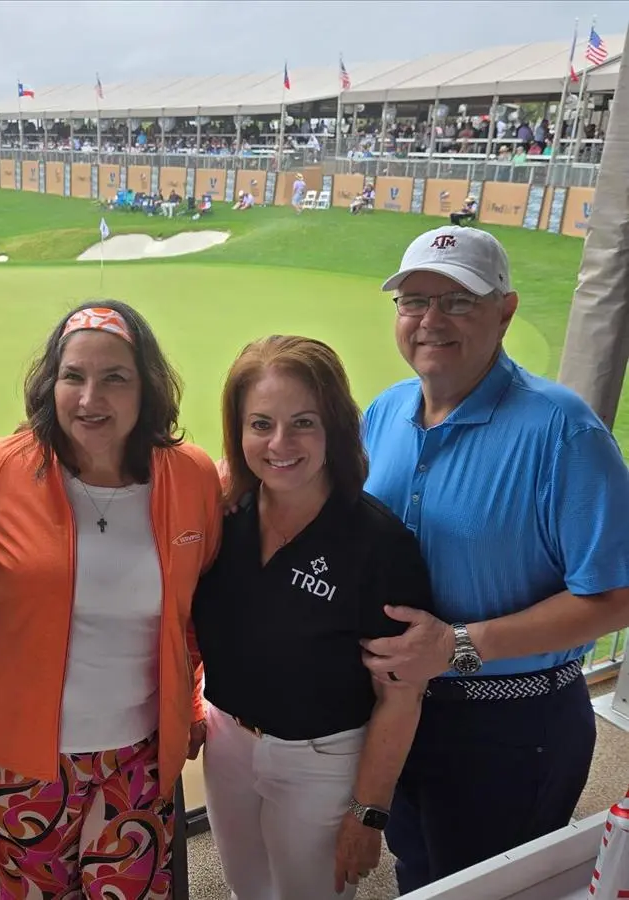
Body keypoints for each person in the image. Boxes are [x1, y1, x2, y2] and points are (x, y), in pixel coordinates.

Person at [360, 226, 629, 893]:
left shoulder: (563, 431)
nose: (430, 320)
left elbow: (616, 596)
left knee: (485, 887)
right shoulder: (384, 413)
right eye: (414, 300)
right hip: (400, 714)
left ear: (505, 312)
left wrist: (454, 646)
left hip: (514, 727)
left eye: (458, 303)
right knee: (419, 874)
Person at [0, 301, 223, 898]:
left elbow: (192, 618)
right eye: (73, 376)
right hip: (8, 760)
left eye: (114, 378)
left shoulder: (192, 477)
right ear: (51, 384)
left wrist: (192, 708)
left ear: (146, 388)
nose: (89, 398)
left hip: (139, 762)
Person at [193, 336, 433, 900]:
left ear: (335, 428)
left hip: (321, 761)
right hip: (227, 739)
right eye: (260, 424)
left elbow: (402, 695)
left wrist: (369, 812)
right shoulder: (222, 514)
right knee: (246, 888)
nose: (280, 443)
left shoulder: (378, 543)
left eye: (303, 422)